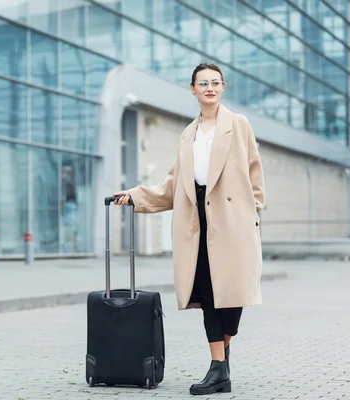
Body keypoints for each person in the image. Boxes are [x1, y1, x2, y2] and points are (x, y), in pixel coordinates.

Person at [112, 63, 265, 396]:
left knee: (232, 296)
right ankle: (217, 367)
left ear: (223, 87)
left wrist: (252, 210)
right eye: (202, 83)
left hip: (232, 218)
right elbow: (173, 183)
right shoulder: (188, 134)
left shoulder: (238, 125)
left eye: (215, 82)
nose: (209, 87)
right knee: (208, 291)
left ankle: (222, 360)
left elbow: (254, 171)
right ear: (192, 89)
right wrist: (135, 196)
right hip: (197, 217)